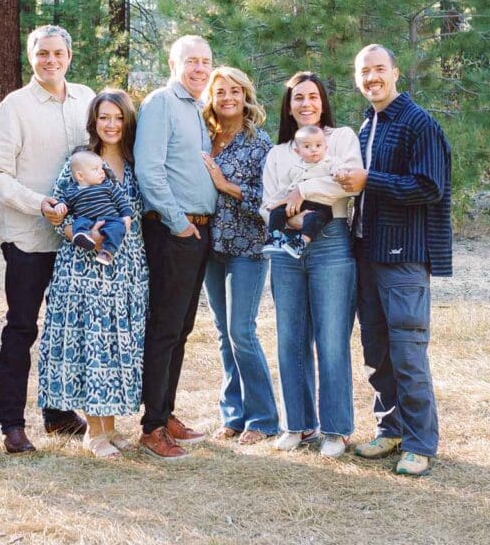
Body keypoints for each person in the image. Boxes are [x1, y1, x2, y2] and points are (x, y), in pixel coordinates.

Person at [336, 44, 452, 477]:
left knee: (407, 352)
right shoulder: (368, 124)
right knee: (378, 352)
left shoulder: (418, 123)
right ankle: (392, 429)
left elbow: (428, 186)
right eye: (363, 71)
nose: (371, 78)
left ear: (395, 72)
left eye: (378, 69)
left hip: (404, 257)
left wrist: (369, 180)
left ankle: (421, 443)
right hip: (367, 252)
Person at [0, 24, 96, 454]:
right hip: (31, 237)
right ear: (31, 58)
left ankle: (58, 412)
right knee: (21, 328)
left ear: (70, 55)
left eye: (58, 53)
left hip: (78, 237)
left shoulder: (86, 99)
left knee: (65, 330)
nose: (51, 60)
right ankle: (11, 423)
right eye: (42, 53)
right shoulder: (14, 108)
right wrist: (39, 203)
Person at [37, 90, 149, 458]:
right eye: (104, 117)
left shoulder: (136, 162)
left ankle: (112, 426)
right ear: (94, 121)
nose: (111, 124)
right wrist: (81, 234)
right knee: (92, 344)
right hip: (85, 266)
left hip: (127, 266)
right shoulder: (80, 162)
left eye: (118, 117)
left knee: (118, 344)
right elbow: (58, 211)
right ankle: (94, 431)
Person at [260, 71, 362, 457]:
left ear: (323, 101)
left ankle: (335, 430)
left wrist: (302, 190)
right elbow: (267, 201)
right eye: (298, 97)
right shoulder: (278, 153)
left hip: (332, 242)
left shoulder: (341, 139)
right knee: (290, 336)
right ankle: (297, 425)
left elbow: (348, 184)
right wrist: (290, 215)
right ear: (288, 105)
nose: (306, 104)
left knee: (331, 338)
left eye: (313, 96)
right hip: (285, 244)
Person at [133, 34, 217, 460]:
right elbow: (149, 171)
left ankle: (166, 414)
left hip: (198, 233)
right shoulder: (161, 103)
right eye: (191, 61)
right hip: (171, 232)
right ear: (173, 62)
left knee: (181, 329)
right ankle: (151, 427)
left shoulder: (198, 111)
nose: (200, 69)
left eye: (205, 61)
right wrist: (179, 223)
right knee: (164, 328)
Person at [199, 66, 279, 445]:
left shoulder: (258, 142)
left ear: (245, 95)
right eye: (220, 92)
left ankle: (263, 419)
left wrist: (225, 185)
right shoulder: (206, 136)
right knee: (221, 334)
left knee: (241, 332)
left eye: (234, 91)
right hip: (210, 247)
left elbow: (267, 201)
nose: (227, 97)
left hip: (247, 247)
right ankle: (233, 415)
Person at [263, 125, 337, 258]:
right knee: (277, 211)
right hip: (297, 203)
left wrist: (339, 171)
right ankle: (275, 237)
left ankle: (301, 242)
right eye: (307, 147)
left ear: (326, 148)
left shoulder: (329, 162)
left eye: (318, 145)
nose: (314, 150)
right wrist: (276, 203)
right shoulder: (295, 168)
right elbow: (285, 190)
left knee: (313, 219)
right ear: (298, 151)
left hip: (321, 204)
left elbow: (339, 169)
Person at [53, 149, 133, 265]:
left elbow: (121, 201)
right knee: (78, 222)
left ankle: (107, 252)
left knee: (117, 227)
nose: (102, 172)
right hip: (87, 219)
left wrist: (127, 215)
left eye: (101, 168)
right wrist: (60, 205)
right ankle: (83, 237)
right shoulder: (72, 190)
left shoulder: (107, 185)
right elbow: (64, 201)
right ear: (80, 175)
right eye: (95, 169)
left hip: (109, 219)